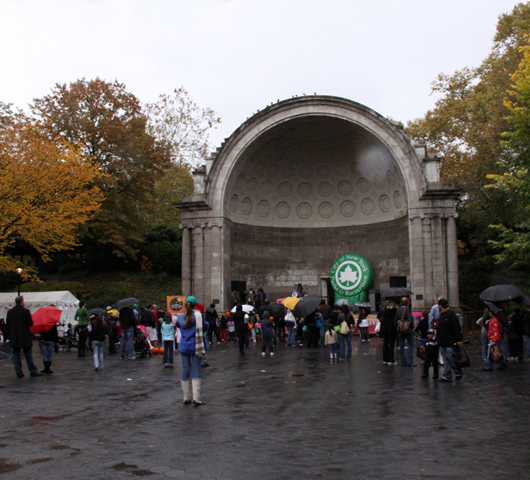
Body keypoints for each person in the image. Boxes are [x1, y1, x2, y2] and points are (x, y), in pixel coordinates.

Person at [176, 296, 209, 405]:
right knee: (196, 370)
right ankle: (196, 397)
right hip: (196, 346)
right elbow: (206, 326)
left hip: (184, 346)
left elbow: (178, 325)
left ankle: (186, 397)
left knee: (185, 370)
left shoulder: (180, 316)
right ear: (195, 305)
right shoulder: (198, 316)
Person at [5, 296, 42, 378]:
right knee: (28, 354)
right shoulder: (26, 311)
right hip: (24, 335)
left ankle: (18, 372)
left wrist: (8, 336)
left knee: (16, 354)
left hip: (14, 336)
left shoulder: (10, 312)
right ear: (21, 302)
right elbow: (30, 323)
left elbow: (8, 325)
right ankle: (32, 370)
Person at [437, 298, 464, 382]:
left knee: (450, 357)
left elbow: (456, 327)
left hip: (450, 341)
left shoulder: (451, 314)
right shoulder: (441, 315)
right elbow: (439, 329)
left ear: (441, 306)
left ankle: (457, 371)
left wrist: (459, 339)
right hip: (442, 341)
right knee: (445, 359)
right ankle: (447, 374)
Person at [395, 297, 415, 366]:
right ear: (407, 303)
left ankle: (403, 361)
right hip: (407, 330)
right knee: (411, 345)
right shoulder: (407, 310)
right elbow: (410, 320)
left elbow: (395, 321)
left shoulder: (398, 310)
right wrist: (411, 328)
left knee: (401, 346)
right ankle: (409, 361)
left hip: (400, 330)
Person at [380, 300, 397, 364]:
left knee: (385, 344)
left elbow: (380, 317)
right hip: (392, 329)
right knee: (391, 345)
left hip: (385, 328)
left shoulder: (384, 310)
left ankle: (385, 359)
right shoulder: (394, 310)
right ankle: (391, 359)